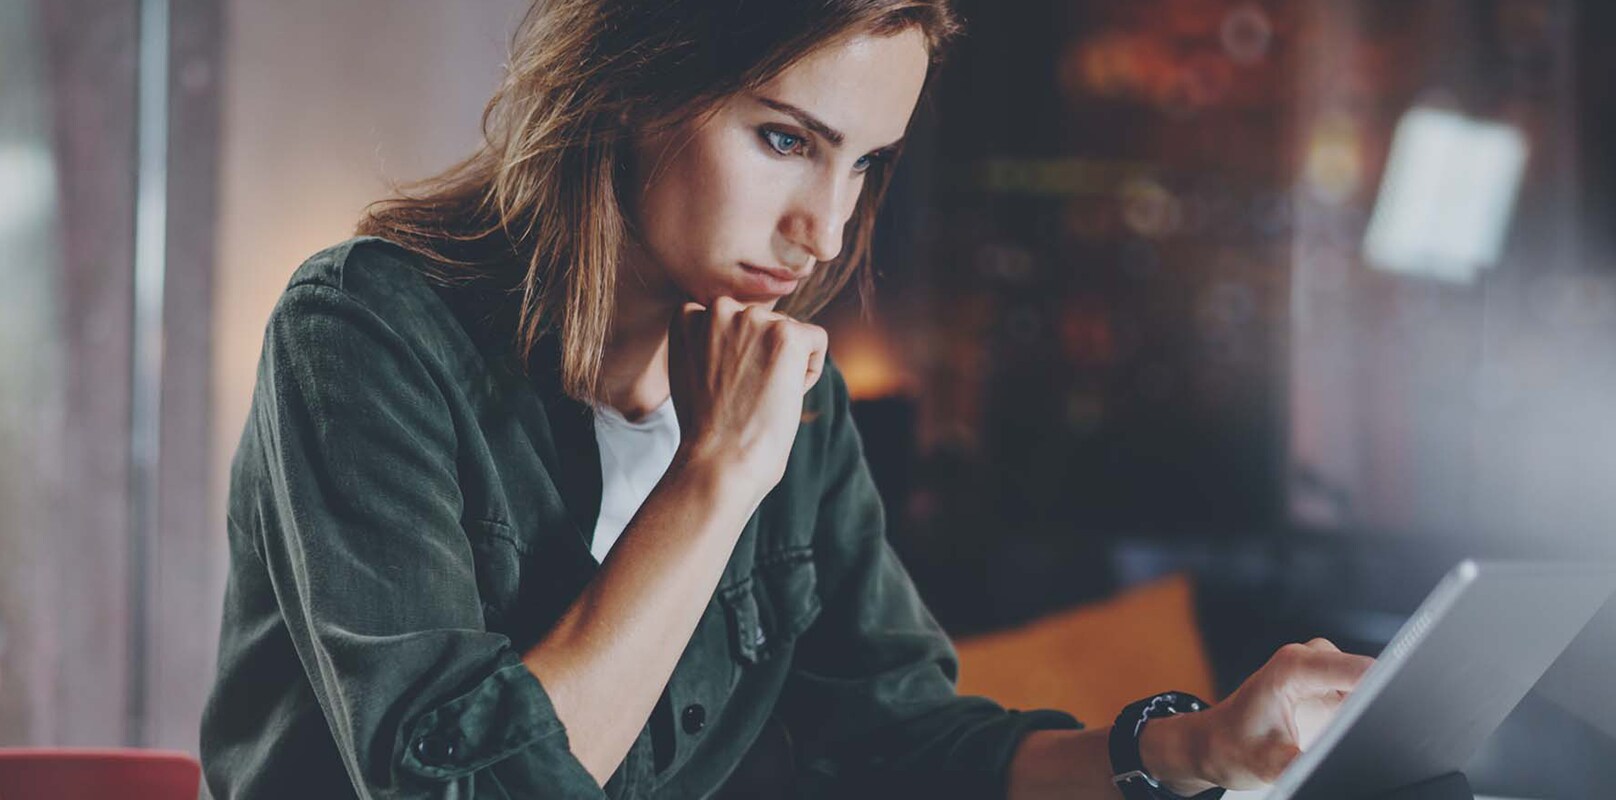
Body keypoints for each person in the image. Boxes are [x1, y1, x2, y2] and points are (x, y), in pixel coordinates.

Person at [200, 1, 1375, 798]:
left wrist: (1193, 744)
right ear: (629, 88)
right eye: (782, 139)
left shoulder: (789, 392)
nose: (825, 228)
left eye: (863, 163)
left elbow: (900, 736)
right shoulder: (362, 333)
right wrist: (713, 478)